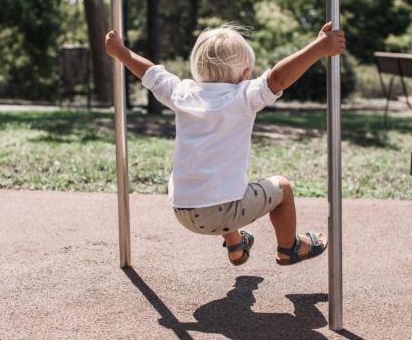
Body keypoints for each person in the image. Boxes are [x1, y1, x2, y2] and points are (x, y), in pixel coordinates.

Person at [105, 22, 345, 266]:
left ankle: (236, 245)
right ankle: (289, 248)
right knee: (282, 188)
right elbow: (279, 78)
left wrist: (120, 51)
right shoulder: (244, 95)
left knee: (210, 182)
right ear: (245, 73)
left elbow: (149, 73)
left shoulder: (182, 92)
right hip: (221, 212)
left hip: (181, 209)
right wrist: (318, 48)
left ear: (197, 69)